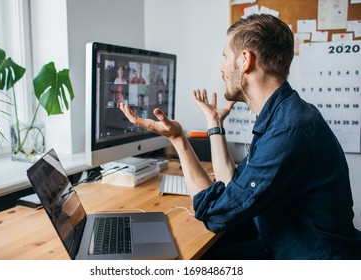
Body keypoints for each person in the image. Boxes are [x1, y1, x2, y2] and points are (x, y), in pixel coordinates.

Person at [119, 14, 361, 259]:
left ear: (245, 60)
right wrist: (214, 124)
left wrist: (179, 140)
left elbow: (215, 215)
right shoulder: (284, 114)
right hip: (285, 246)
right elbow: (232, 185)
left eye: (225, 57)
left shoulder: (287, 131)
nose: (222, 68)